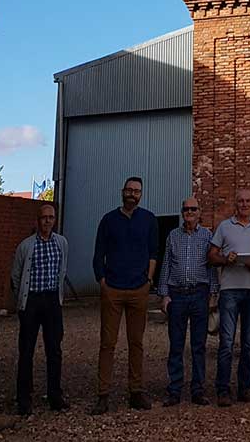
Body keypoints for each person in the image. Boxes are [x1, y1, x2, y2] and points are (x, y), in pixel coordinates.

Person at [92, 176, 158, 413]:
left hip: (138, 289)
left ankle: (136, 392)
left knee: (136, 342)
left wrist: (148, 280)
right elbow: (98, 253)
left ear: (141, 194)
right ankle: (103, 395)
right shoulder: (109, 220)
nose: (132, 194)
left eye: (136, 191)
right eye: (129, 190)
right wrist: (102, 281)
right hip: (113, 289)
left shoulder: (148, 219)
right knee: (107, 343)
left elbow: (153, 253)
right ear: (122, 192)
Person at [208, 187, 250, 406]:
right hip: (229, 291)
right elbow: (212, 255)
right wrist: (226, 259)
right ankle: (223, 390)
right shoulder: (225, 227)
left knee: (248, 342)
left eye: (248, 201)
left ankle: (245, 388)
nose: (244, 204)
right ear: (235, 204)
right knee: (226, 342)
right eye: (240, 201)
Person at [10, 201, 69, 416]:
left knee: (54, 349)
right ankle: (24, 398)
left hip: (52, 300)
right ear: (38, 220)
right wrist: (22, 300)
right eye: (44, 217)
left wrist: (58, 298)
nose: (47, 221)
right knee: (26, 350)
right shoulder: (26, 246)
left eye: (51, 217)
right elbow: (16, 276)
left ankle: (55, 395)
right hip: (32, 301)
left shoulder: (61, 243)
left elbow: (62, 271)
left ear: (55, 220)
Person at [158, 197, 217, 407]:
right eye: (186, 209)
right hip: (178, 295)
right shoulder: (173, 236)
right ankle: (174, 389)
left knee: (198, 345)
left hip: (200, 294)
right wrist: (164, 294)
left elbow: (211, 267)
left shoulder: (207, 236)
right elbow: (166, 265)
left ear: (199, 212)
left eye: (193, 209)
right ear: (182, 212)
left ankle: (198, 389)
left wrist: (213, 293)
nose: (189, 212)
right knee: (176, 344)